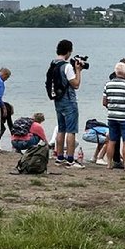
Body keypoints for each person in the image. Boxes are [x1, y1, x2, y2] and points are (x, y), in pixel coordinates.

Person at [51, 39, 85, 168]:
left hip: (57, 99)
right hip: (68, 100)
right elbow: (75, 84)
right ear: (69, 51)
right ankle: (70, 159)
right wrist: (78, 71)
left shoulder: (53, 64)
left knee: (61, 128)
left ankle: (59, 157)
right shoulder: (67, 66)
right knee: (71, 130)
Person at [103, 62, 125, 172]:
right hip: (124, 118)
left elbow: (104, 102)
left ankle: (109, 163)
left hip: (112, 116)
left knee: (112, 140)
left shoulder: (107, 85)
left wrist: (112, 107)